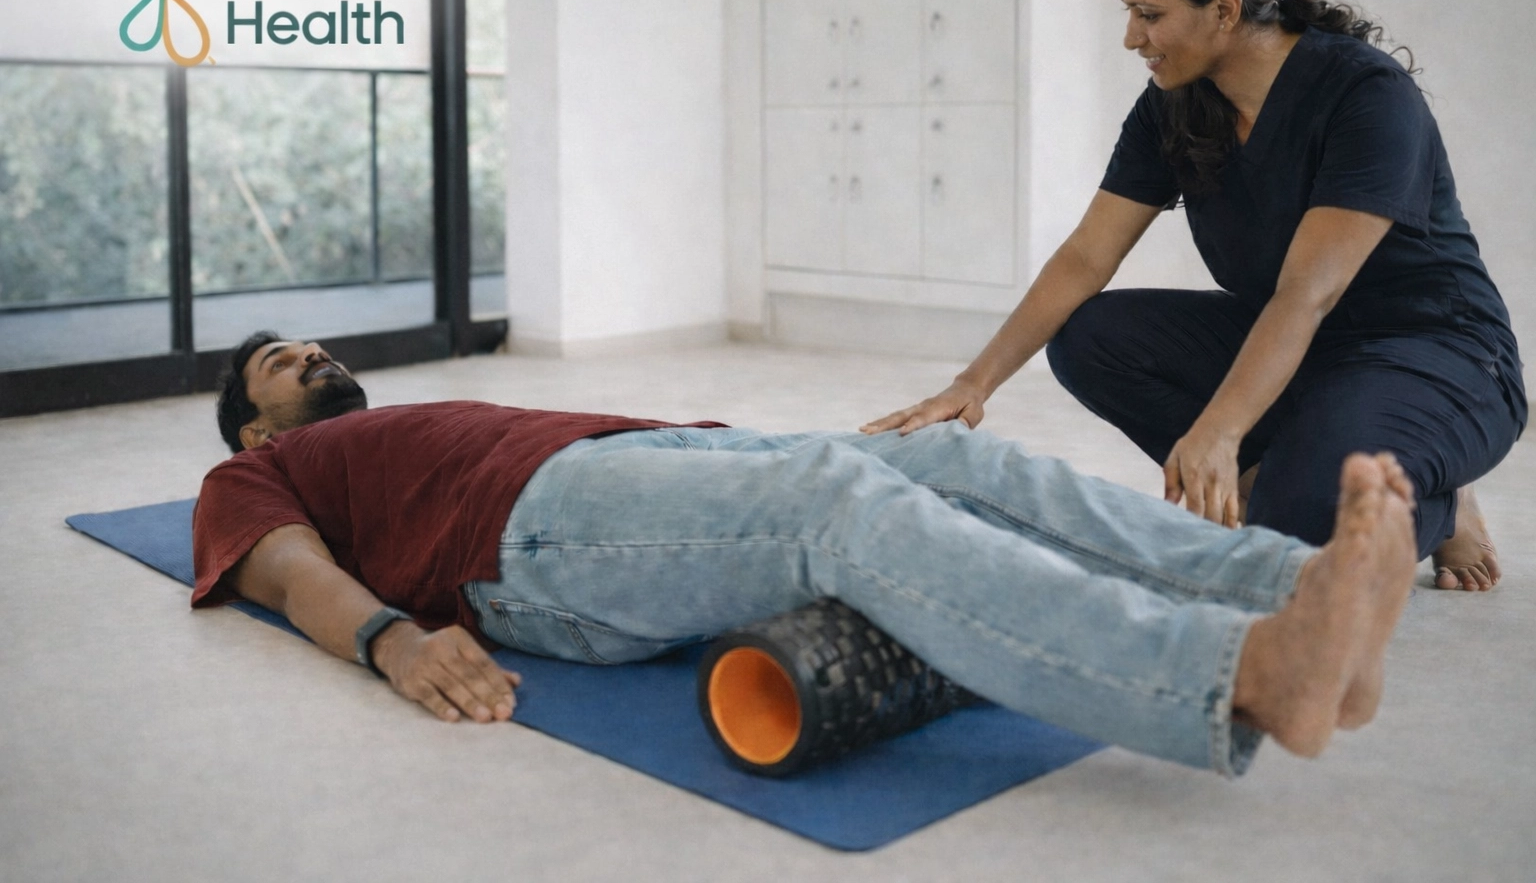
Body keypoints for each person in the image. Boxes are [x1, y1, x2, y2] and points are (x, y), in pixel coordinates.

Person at [192, 331, 1419, 778]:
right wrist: (392, 642)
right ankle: (1234, 674)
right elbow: (285, 570)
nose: (310, 356)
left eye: (307, 345)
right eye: (280, 366)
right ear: (256, 428)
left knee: (954, 455)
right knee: (837, 504)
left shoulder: (403, 418)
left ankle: (1293, 588)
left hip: (640, 461)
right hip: (530, 532)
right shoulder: (250, 476)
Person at [863, 0, 1524, 594]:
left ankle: (1436, 503)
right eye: (1130, 13)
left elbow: (1309, 291)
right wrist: (971, 386)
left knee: (1299, 538)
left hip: (1438, 352)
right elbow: (1087, 256)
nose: (1132, 38)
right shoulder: (1174, 105)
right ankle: (1281, 479)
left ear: (1225, 8)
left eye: (1149, 14)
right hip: (1305, 349)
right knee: (1090, 337)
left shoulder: (1365, 94)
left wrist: (1221, 428)